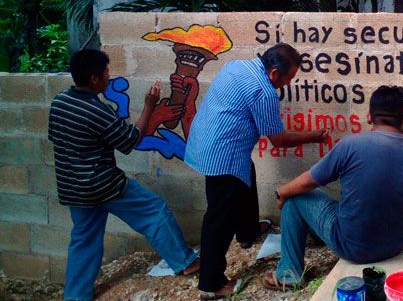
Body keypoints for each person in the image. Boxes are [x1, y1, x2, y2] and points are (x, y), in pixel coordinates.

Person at [48, 49, 199, 301]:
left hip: (73, 188)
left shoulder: (60, 101)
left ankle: (75, 296)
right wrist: (149, 106)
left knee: (84, 240)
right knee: (154, 211)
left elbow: (59, 140)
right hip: (103, 185)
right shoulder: (96, 110)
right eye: (106, 73)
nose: (109, 77)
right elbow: (130, 141)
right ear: (94, 79)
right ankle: (184, 261)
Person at [261, 85, 403, 290]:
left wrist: (281, 192)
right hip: (396, 244)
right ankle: (313, 240)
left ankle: (289, 275)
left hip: (352, 247)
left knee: (295, 196)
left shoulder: (350, 144)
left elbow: (309, 181)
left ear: (369, 117)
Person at [184, 43, 329, 299]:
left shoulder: (239, 66)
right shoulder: (264, 91)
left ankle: (248, 231)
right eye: (288, 78)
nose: (287, 84)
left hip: (206, 138)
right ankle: (211, 283)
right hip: (222, 154)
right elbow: (279, 139)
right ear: (274, 73)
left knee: (246, 178)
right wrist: (314, 136)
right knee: (219, 218)